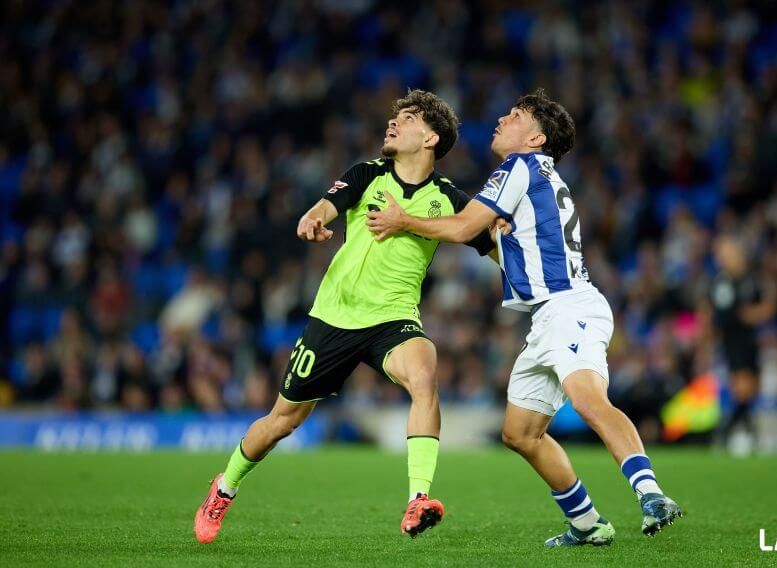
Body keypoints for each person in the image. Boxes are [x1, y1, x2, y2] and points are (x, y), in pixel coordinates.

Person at [367, 89, 683, 547]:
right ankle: (588, 523)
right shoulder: (537, 176)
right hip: (547, 316)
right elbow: (499, 238)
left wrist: (404, 221)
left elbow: (462, 227)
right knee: (520, 433)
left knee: (589, 400)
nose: (501, 118)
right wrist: (503, 237)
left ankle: (652, 494)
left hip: (569, 305)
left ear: (535, 137)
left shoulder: (519, 167)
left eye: (514, 116)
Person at [193, 90, 495, 543]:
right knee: (283, 422)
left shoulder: (450, 199)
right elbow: (326, 205)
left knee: (424, 373)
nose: (393, 122)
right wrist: (313, 218)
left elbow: (492, 248)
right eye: (394, 116)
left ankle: (418, 498)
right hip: (334, 317)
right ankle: (224, 486)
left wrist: (518, 257)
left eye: (407, 118)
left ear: (431, 137)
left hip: (392, 319)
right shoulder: (367, 174)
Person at [707, 235, 777, 452]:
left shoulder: (751, 280)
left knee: (751, 389)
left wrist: (754, 313)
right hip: (733, 340)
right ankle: (739, 433)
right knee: (743, 387)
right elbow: (727, 314)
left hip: (751, 339)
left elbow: (766, 307)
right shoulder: (722, 284)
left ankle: (733, 431)